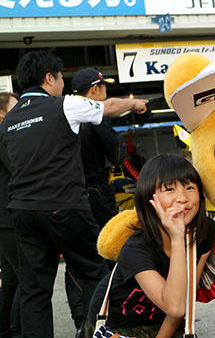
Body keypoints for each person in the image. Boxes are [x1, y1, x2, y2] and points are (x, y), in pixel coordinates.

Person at [0, 50, 148, 338]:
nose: (62, 85)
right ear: (48, 78)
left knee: (34, 290)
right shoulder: (64, 105)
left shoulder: (8, 122)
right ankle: (96, 332)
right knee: (95, 271)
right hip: (64, 206)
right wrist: (137, 104)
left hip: (23, 212)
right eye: (59, 78)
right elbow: (107, 106)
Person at [82, 154, 215, 338]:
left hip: (164, 321)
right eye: (169, 189)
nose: (182, 198)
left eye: (190, 187)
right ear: (149, 199)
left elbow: (182, 303)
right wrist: (177, 239)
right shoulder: (136, 247)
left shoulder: (203, 232)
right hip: (119, 326)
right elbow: (175, 307)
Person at [64, 68, 128, 331]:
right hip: (96, 193)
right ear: (94, 90)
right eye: (104, 87)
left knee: (75, 259)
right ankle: (103, 317)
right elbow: (117, 152)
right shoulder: (95, 115)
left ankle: (80, 319)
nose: (106, 92)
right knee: (109, 251)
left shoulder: (63, 114)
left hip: (68, 196)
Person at [0, 92, 20, 338]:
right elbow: (16, 169)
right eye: (15, 108)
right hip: (8, 215)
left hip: (3, 218)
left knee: (12, 277)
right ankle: (17, 331)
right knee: (27, 279)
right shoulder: (4, 136)